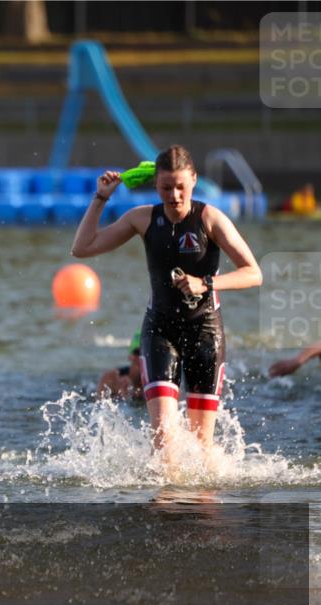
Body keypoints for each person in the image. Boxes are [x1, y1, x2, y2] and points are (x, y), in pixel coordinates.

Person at [71, 145, 263, 473]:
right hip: (160, 330)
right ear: (156, 185)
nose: (173, 196)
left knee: (202, 448)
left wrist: (206, 283)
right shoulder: (142, 219)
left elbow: (253, 273)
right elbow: (82, 248)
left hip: (205, 332)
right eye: (165, 188)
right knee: (163, 442)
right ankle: (167, 514)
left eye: (180, 187)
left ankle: (200, 517)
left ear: (194, 181)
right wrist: (101, 198)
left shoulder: (210, 219)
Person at [97, 332, 144, 400]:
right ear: (130, 356)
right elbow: (97, 405)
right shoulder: (112, 378)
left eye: (146, 354)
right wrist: (121, 398)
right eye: (138, 352)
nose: (142, 358)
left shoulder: (160, 380)